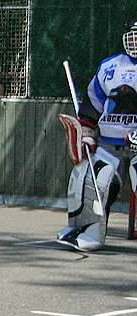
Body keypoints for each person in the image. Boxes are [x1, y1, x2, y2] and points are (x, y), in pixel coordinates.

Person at [57, 18, 137, 251]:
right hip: (109, 145)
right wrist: (86, 133)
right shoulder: (110, 67)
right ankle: (86, 230)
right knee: (89, 177)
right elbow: (93, 104)